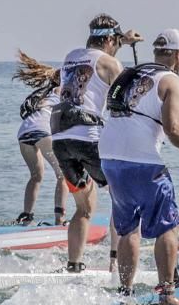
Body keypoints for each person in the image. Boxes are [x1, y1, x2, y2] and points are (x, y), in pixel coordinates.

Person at [99, 29, 179, 305]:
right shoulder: (172, 82)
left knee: (127, 229)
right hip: (144, 162)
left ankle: (125, 293)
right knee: (167, 228)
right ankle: (167, 294)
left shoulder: (133, 74)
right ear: (177, 54)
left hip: (110, 158)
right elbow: (172, 130)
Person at [51, 15, 143, 273]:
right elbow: (125, 104)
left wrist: (121, 40)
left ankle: (74, 265)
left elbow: (96, 57)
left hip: (60, 139)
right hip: (89, 138)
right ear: (111, 40)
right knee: (121, 197)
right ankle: (115, 263)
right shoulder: (111, 63)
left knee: (84, 208)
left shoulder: (71, 56)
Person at [14, 51, 67, 226]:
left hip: (24, 132)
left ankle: (26, 217)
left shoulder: (45, 92)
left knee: (36, 175)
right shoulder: (62, 90)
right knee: (63, 175)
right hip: (43, 131)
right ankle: (60, 220)